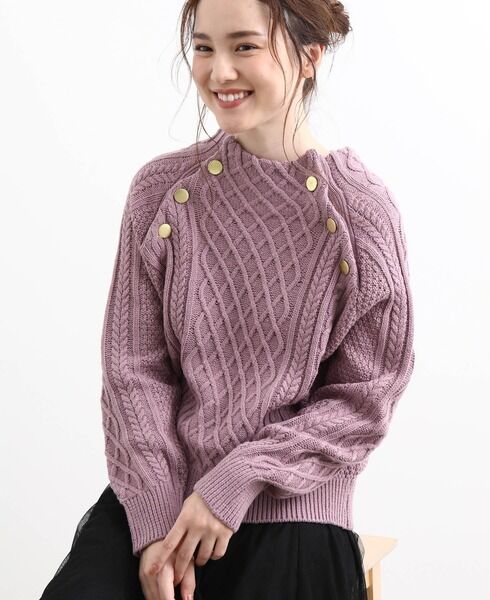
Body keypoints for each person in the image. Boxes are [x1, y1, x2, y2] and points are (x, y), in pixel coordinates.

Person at [39, 0, 416, 599]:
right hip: (159, 501)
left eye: (245, 46)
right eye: (204, 47)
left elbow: (366, 395)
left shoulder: (361, 214)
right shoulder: (162, 193)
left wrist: (237, 479)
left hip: (292, 510)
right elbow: (134, 370)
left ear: (310, 56)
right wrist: (157, 521)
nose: (219, 72)